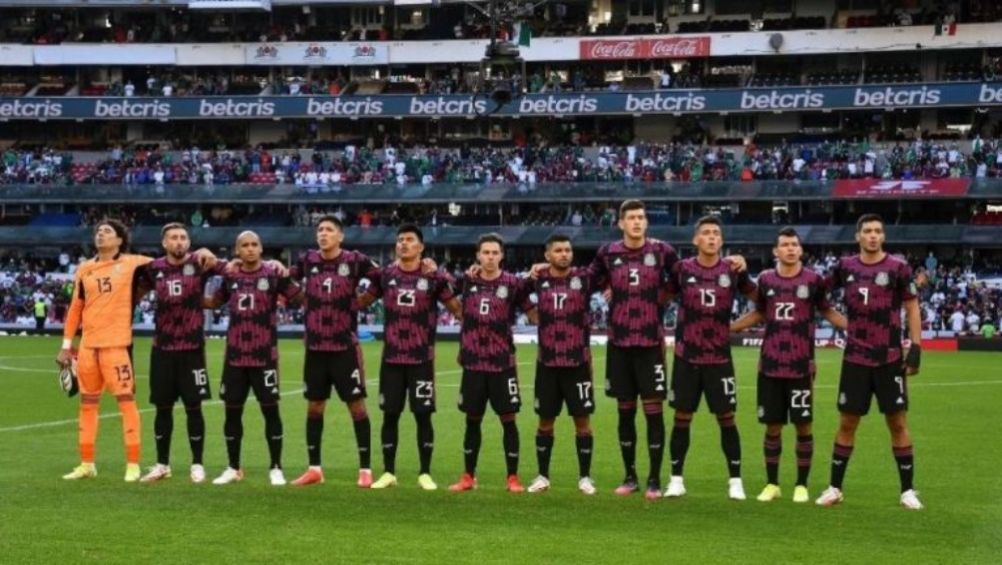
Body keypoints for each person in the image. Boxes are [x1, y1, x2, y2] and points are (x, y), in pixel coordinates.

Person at [58, 220, 213, 482]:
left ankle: (133, 464)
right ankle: (86, 463)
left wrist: (202, 253)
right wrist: (66, 345)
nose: (101, 234)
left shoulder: (135, 263)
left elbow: (172, 260)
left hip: (116, 346)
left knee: (126, 403)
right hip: (87, 347)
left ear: (120, 240)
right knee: (87, 405)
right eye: (98, 231)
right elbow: (75, 307)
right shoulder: (84, 269)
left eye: (107, 231)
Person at [815, 214, 924, 510]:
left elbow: (912, 307)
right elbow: (817, 296)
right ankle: (835, 487)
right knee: (848, 422)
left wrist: (915, 348)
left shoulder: (898, 267)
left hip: (889, 358)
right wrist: (842, 322)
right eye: (868, 231)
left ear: (883, 236)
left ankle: (908, 491)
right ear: (858, 237)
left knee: (897, 422)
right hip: (855, 359)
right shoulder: (845, 267)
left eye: (878, 231)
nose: (873, 235)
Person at [731, 227, 847, 503]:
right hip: (770, 364)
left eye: (795, 244)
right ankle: (772, 484)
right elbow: (760, 311)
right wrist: (729, 328)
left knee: (803, 425)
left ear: (800, 249)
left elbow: (827, 309)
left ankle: (801, 484)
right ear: (776, 251)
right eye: (785, 245)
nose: (791, 248)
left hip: (801, 366)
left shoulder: (814, 280)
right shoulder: (767, 279)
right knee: (772, 426)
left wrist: (856, 327)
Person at [585, 200, 679, 499]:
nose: (637, 222)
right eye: (632, 218)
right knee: (625, 413)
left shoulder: (662, 251)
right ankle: (630, 477)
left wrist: (662, 296)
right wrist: (604, 288)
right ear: (621, 223)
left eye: (641, 217)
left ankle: (653, 479)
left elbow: (684, 278)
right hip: (619, 344)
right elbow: (588, 278)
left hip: (651, 343)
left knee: (653, 413)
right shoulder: (607, 252)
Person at [358, 225, 462, 490]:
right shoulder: (385, 275)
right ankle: (389, 472)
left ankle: (425, 472)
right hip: (391, 359)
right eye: (400, 239)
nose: (403, 244)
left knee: (422, 415)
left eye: (409, 240)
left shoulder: (433, 278)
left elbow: (458, 309)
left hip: (421, 359)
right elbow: (361, 302)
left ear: (421, 247)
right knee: (389, 415)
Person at [663, 216, 758, 501]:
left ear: (722, 240)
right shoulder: (681, 269)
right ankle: (676, 479)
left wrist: (734, 328)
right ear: (696, 240)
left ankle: (735, 481)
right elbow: (657, 298)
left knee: (726, 418)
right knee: (682, 417)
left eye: (716, 233)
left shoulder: (733, 270)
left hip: (719, 358)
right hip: (687, 357)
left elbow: (762, 301)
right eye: (706, 233)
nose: (712, 237)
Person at [289, 216, 379, 488]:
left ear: (340, 236)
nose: (323, 234)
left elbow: (383, 278)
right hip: (315, 347)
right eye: (320, 230)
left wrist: (362, 301)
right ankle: (314, 468)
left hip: (344, 347)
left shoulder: (355, 260)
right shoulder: (307, 260)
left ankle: (365, 469)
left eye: (329, 230)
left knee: (356, 406)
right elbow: (283, 281)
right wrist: (303, 298)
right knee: (314, 406)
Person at [207, 231, 301, 486]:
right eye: (244, 245)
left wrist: (290, 272)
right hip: (235, 357)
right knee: (232, 414)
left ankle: (276, 467)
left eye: (254, 245)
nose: (249, 249)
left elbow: (301, 297)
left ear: (261, 248)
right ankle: (233, 467)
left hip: (264, 356)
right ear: (237, 251)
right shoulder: (230, 275)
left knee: (271, 412)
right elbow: (214, 302)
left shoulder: (274, 274)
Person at [448, 233, 537, 493]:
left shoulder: (513, 284)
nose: (489, 257)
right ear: (478, 255)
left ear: (502, 255)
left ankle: (512, 477)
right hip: (473, 363)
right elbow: (440, 291)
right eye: (485, 252)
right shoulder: (466, 280)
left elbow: (532, 313)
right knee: (472, 420)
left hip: (502, 363)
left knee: (508, 420)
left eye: (494, 253)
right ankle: (468, 476)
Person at [137, 223, 224, 484]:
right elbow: (133, 293)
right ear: (164, 243)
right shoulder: (154, 269)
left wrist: (215, 298)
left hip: (192, 349)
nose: (179, 242)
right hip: (162, 349)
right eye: (173, 238)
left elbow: (234, 272)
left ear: (189, 242)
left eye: (183, 237)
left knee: (193, 408)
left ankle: (197, 464)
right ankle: (162, 464)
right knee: (162, 409)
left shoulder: (201, 262)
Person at [525, 235, 599, 496]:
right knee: (545, 422)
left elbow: (612, 273)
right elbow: (513, 291)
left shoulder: (584, 279)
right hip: (547, 363)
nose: (564, 254)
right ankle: (543, 476)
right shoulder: (537, 280)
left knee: (583, 422)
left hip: (577, 362)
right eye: (558, 250)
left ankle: (585, 478)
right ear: (547, 255)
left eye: (568, 250)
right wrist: (532, 312)